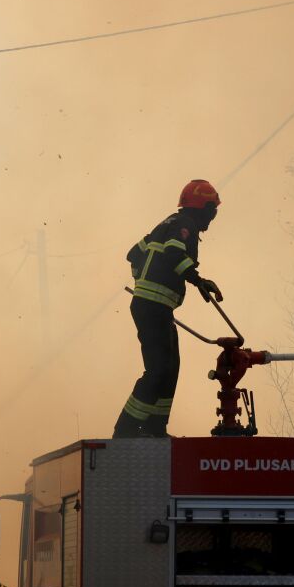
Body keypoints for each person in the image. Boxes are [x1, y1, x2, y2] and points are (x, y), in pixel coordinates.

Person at [113, 180, 224, 438]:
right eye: (212, 211)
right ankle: (125, 432)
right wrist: (198, 280)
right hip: (153, 306)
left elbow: (133, 254)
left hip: (155, 306)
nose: (213, 218)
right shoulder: (185, 226)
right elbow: (174, 253)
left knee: (170, 366)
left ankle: (155, 427)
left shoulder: (166, 224)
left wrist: (141, 280)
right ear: (202, 208)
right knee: (158, 369)